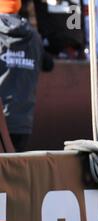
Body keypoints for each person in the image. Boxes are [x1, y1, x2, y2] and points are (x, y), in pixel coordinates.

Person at [0, 0, 53, 152]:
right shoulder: (34, 36)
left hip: (3, 120)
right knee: (14, 172)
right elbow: (49, 65)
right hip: (23, 122)